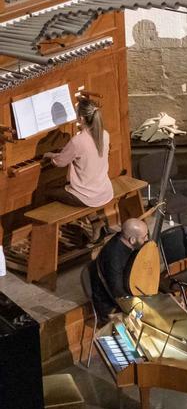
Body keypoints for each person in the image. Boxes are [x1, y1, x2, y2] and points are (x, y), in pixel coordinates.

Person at [43, 97, 114, 240]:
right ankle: (95, 222)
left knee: (46, 192)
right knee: (70, 186)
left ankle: (52, 236)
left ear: (81, 118)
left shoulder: (78, 141)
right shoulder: (104, 134)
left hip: (88, 196)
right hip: (104, 190)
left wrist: (49, 154)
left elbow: (59, 162)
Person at [89, 219, 150, 318]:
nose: (147, 239)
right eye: (144, 237)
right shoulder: (114, 258)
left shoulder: (124, 240)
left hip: (126, 289)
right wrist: (143, 305)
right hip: (110, 304)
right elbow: (119, 293)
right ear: (132, 240)